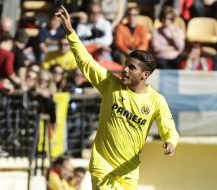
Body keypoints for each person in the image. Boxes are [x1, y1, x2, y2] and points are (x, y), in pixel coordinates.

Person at [56, 6, 179, 189]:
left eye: (132, 68)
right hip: (102, 166)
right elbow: (86, 62)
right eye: (125, 65)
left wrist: (170, 140)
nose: (125, 70)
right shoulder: (110, 84)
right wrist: (71, 32)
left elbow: (167, 123)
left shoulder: (156, 101)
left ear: (145, 75)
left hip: (128, 170)